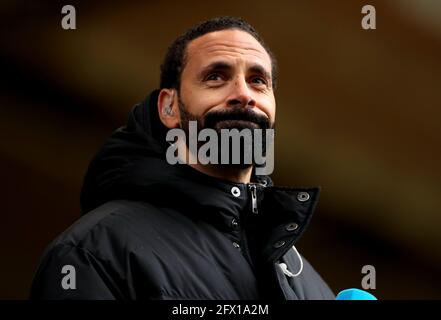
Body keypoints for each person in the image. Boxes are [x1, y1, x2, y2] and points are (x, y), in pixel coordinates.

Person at [30, 16, 335, 300]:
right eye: (216, 76)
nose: (244, 94)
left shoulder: (308, 283)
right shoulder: (94, 251)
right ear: (169, 108)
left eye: (258, 81)